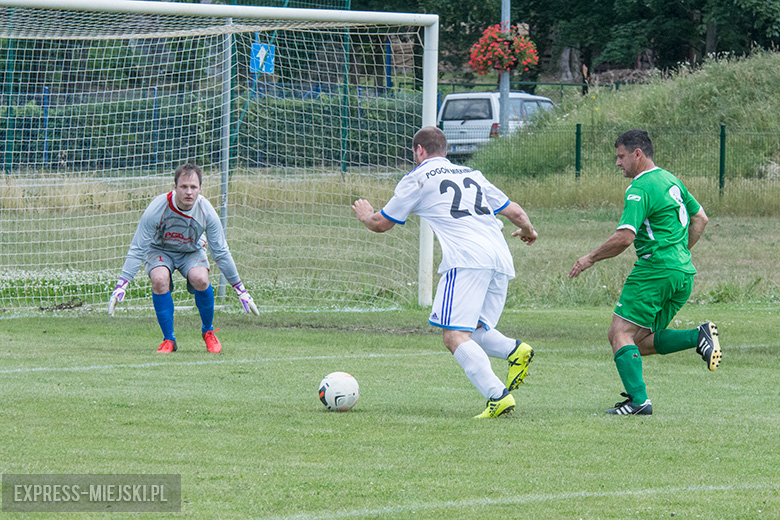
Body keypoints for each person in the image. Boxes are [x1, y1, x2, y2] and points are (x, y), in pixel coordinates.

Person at [352, 126, 537, 419]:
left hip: (466, 260)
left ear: (419, 150)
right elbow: (515, 212)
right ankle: (515, 351)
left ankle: (497, 396)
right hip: (500, 259)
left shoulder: (418, 178)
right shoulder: (471, 173)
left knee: (453, 336)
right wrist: (528, 230)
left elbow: (381, 223)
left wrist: (365, 216)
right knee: (475, 331)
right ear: (445, 150)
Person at [568, 129, 722, 415]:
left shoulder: (639, 188)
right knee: (638, 341)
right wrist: (679, 253)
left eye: (621, 156)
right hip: (682, 273)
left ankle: (639, 402)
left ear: (637, 154)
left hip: (655, 271)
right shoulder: (671, 180)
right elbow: (701, 218)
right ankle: (697, 336)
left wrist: (590, 258)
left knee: (619, 333)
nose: (618, 163)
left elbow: (624, 237)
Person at [108, 163, 259, 353]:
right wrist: (122, 284)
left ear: (200, 189)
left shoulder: (206, 211)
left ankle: (208, 332)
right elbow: (138, 248)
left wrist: (240, 289)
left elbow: (221, 252)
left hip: (191, 251)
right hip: (160, 250)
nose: (189, 192)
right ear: (175, 187)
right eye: (184, 186)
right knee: (159, 279)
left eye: (193, 187)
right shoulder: (157, 208)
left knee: (201, 279)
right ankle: (169, 340)